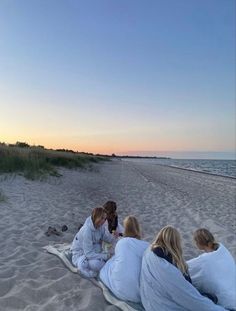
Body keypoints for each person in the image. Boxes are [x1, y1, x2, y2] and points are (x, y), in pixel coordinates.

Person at [140, 226, 226, 311]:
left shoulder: (149, 253)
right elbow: (185, 294)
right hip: (163, 306)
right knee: (211, 299)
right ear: (176, 242)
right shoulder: (170, 264)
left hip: (149, 301)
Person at [99, 216, 149, 303]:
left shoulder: (121, 242)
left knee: (112, 262)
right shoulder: (146, 246)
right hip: (136, 295)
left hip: (119, 289)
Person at [187, 228, 236, 310]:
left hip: (226, 303)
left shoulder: (204, 260)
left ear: (199, 243)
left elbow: (186, 268)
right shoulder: (223, 251)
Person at [71, 207, 115, 278]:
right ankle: (84, 270)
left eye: (105, 219)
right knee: (98, 264)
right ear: (96, 217)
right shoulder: (87, 231)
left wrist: (113, 235)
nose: (104, 221)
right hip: (81, 254)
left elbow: (107, 239)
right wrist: (105, 256)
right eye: (102, 218)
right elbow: (88, 254)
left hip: (92, 249)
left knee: (106, 253)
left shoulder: (100, 226)